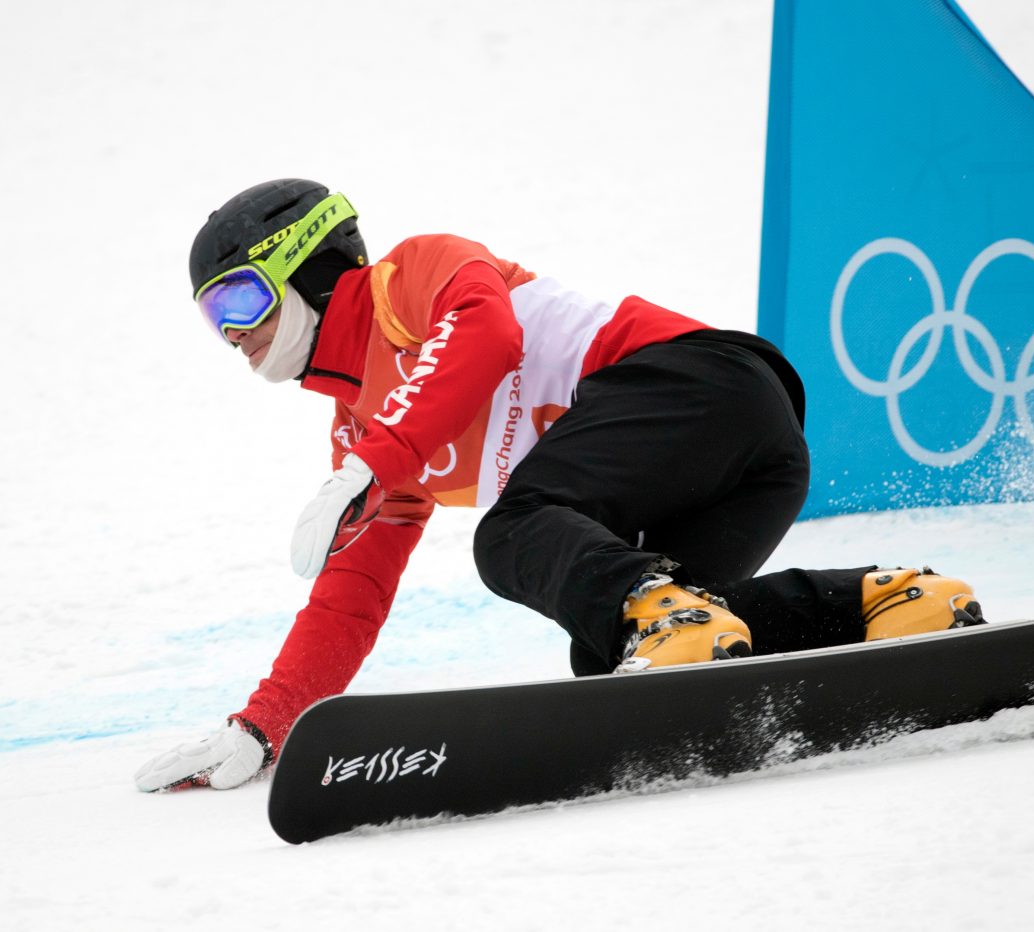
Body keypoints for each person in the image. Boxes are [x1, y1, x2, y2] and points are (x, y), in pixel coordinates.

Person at [134, 179, 985, 793]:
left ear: (309, 267)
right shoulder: (364, 430)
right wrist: (266, 724)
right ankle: (883, 603)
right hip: (749, 463)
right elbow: (353, 595)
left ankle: (676, 610)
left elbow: (489, 331)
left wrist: (381, 459)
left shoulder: (409, 280)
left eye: (240, 298)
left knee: (509, 534)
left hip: (705, 383)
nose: (235, 334)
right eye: (215, 319)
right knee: (611, 647)